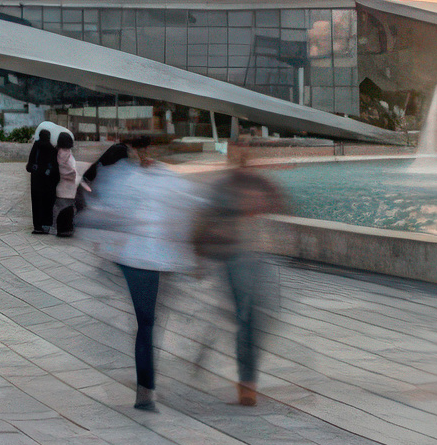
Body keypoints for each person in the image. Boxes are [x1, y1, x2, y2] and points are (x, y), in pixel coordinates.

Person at [85, 134, 201, 411]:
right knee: (147, 323)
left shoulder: (157, 177)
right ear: (135, 151)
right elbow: (101, 208)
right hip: (140, 261)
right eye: (143, 149)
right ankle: (144, 392)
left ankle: (145, 389)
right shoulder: (126, 177)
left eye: (152, 149)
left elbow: (188, 206)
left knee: (150, 322)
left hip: (156, 260)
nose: (147, 154)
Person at [195, 140, 289, 406]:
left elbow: (281, 204)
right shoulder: (223, 187)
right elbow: (204, 222)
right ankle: (247, 384)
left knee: (261, 317)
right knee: (245, 318)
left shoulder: (259, 182)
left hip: (260, 257)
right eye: (239, 156)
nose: (244, 160)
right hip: (233, 258)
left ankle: (243, 376)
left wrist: (266, 200)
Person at [27, 123, 63, 234]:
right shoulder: (52, 149)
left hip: (36, 181)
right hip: (48, 182)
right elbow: (56, 169)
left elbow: (29, 166)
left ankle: (37, 226)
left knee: (37, 203)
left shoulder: (36, 147)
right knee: (48, 203)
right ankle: (47, 225)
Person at [53, 131, 86, 238]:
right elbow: (67, 169)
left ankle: (58, 228)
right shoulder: (64, 153)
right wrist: (75, 176)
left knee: (60, 209)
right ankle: (64, 228)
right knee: (66, 209)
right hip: (67, 188)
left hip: (63, 188)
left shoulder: (59, 152)